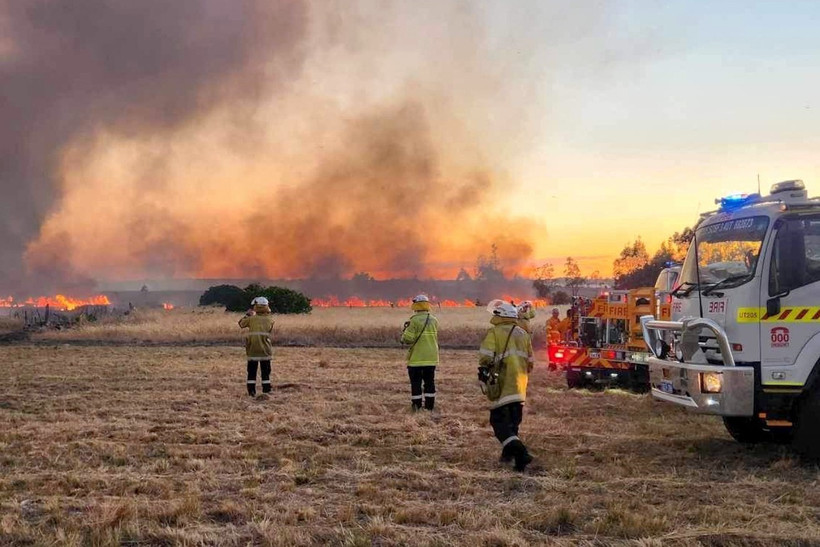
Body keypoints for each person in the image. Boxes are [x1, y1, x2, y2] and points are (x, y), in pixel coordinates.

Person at [478, 300, 535, 472]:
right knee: (512, 424)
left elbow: (486, 356)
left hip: (503, 384)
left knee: (499, 423)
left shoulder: (494, 333)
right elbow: (530, 363)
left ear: (499, 316)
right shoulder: (523, 334)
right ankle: (510, 458)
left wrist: (484, 372)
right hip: (520, 387)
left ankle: (521, 453)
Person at [400, 294, 439, 411]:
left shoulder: (414, 321)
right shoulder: (434, 320)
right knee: (429, 382)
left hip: (417, 358)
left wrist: (404, 332)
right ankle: (430, 407)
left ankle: (416, 406)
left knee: (416, 384)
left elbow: (408, 339)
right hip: (431, 357)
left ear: (415, 305)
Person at [238, 296, 274, 397]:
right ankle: (266, 391)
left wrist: (247, 315)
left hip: (252, 349)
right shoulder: (270, 320)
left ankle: (251, 392)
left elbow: (241, 324)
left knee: (251, 373)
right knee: (266, 373)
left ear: (256, 306)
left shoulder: (251, 319)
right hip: (265, 351)